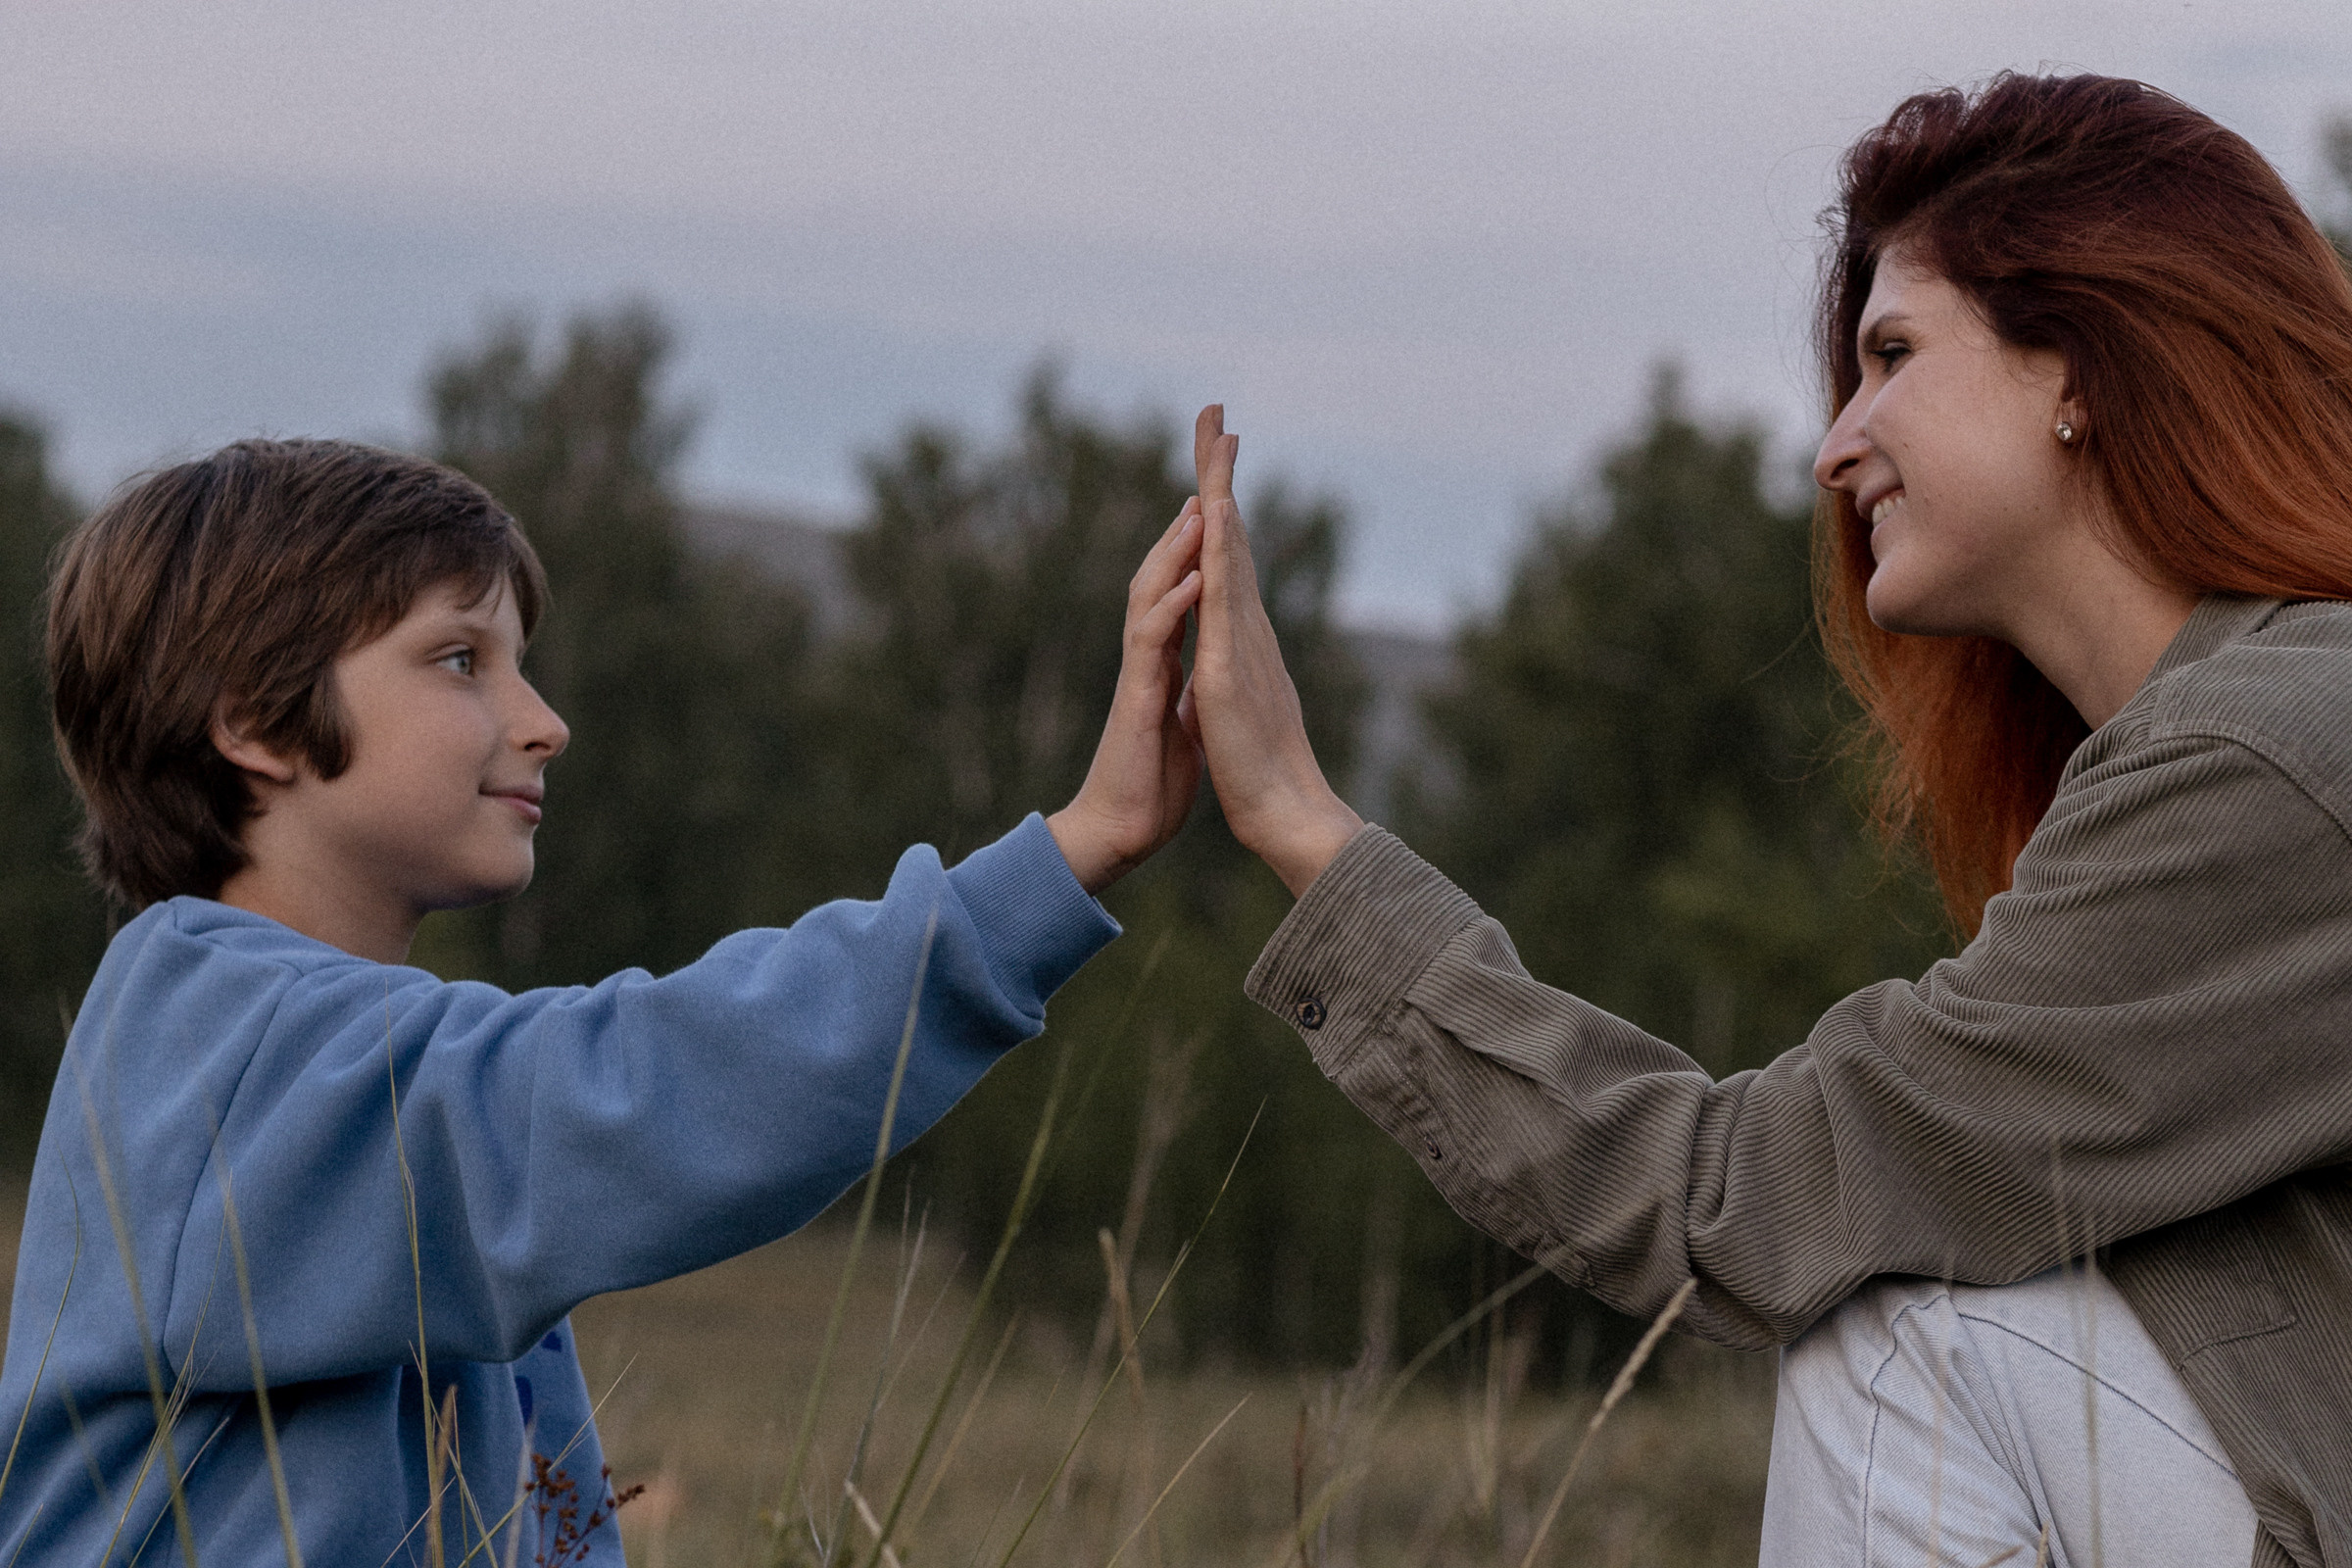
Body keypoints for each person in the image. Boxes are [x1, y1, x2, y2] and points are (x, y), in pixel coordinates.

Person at [1184, 74, 2352, 1568]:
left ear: (2081, 366)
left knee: (1893, 1346)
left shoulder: (2264, 764)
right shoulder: (2268, 735)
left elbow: (1742, 1200)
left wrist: (1298, 823)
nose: (1834, 447)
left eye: (1892, 355)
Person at [0, 436, 1207, 1564]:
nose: (545, 723)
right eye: (462, 657)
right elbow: (644, 1087)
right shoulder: (217, 1055)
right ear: (256, 719)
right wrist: (1066, 856)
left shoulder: (358, 1072)